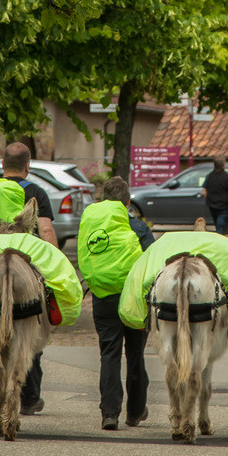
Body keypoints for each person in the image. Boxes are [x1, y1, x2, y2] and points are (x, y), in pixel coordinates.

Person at [0, 142, 56, 412]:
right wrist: (53, 261)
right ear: (28, 166)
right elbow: (46, 231)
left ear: (2, 165)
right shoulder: (35, 191)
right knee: (32, 324)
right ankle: (29, 397)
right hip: (24, 261)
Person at [76, 176, 153, 430]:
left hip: (103, 296)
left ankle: (109, 413)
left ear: (103, 202)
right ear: (128, 202)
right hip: (134, 300)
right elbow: (152, 266)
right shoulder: (139, 228)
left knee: (109, 354)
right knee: (135, 354)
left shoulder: (92, 226)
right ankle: (135, 411)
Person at [202, 157, 228, 234]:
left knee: (217, 224)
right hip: (223, 206)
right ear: (224, 164)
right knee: (221, 227)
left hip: (212, 205)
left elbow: (204, 192)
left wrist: (209, 200)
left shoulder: (209, 176)